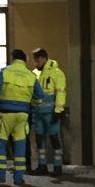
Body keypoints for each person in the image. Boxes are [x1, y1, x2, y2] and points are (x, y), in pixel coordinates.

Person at [0, 48, 45, 187]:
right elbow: (40, 96)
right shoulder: (31, 75)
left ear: (13, 58)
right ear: (24, 60)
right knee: (20, 145)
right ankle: (19, 178)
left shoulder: (6, 71)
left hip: (6, 113)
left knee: (0, 144)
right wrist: (32, 104)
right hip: (22, 115)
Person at [30, 48, 67, 176]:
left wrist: (59, 110)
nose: (36, 62)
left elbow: (60, 92)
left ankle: (57, 167)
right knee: (40, 139)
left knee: (54, 138)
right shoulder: (35, 73)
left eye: (38, 59)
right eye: (35, 60)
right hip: (38, 112)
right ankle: (42, 165)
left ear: (44, 58)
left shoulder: (57, 73)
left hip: (51, 112)